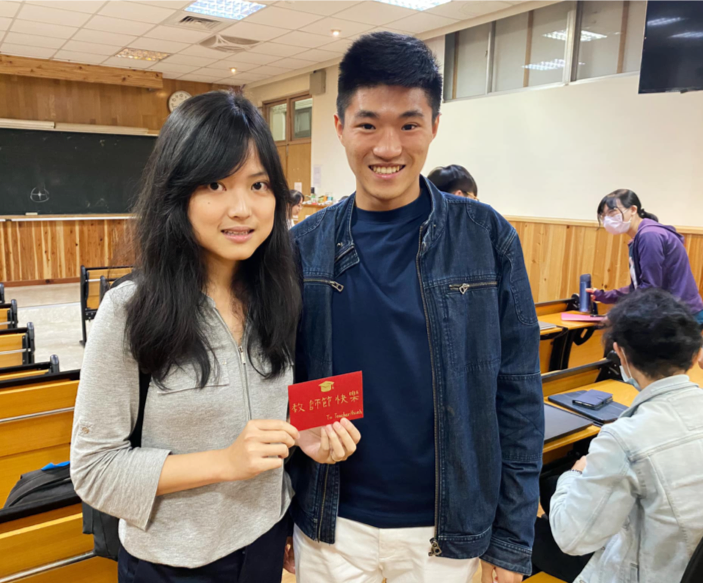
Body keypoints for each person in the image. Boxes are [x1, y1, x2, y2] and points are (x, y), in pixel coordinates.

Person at [70, 91, 359, 582]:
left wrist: (303, 435)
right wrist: (224, 463)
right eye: (215, 185)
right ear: (175, 193)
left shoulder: (280, 293)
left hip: (267, 543)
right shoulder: (129, 311)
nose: (242, 208)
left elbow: (268, 413)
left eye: (259, 184)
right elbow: (94, 471)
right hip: (173, 564)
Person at [287, 32, 543, 583]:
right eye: (367, 124)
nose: (387, 147)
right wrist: (283, 514)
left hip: (446, 532)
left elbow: (518, 392)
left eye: (408, 124)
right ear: (339, 128)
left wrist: (511, 539)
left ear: (434, 126)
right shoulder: (303, 247)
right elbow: (284, 380)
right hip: (331, 527)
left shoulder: (486, 236)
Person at [549, 288, 703, 583]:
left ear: (619, 353)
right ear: (696, 354)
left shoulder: (624, 439)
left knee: (545, 513)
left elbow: (572, 538)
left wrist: (573, 476)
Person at [590, 189, 703, 326]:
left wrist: (616, 314)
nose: (607, 219)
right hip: (671, 313)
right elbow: (638, 287)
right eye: (603, 215)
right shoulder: (640, 237)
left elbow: (650, 288)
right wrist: (603, 295)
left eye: (612, 212)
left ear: (632, 209)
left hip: (679, 317)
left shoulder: (649, 235)